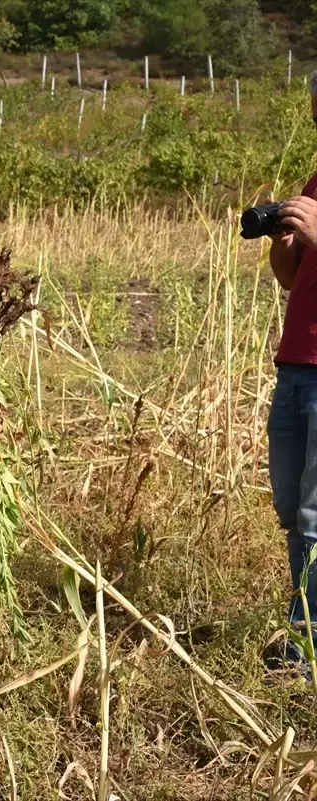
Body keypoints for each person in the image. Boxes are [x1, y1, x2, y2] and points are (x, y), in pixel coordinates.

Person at [264, 70, 317, 682]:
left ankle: (305, 649)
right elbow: (290, 279)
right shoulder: (315, 181)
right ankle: (304, 623)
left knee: (315, 516)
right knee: (290, 507)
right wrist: (284, 241)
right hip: (296, 367)